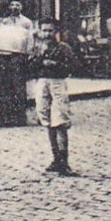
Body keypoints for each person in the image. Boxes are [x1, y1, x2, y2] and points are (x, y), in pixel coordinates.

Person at [33, 18, 76, 175]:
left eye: (50, 30)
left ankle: (64, 160)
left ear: (56, 32)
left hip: (57, 82)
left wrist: (55, 64)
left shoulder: (63, 48)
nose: (47, 34)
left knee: (60, 120)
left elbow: (72, 66)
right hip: (42, 82)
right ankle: (55, 158)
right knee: (47, 119)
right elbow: (30, 66)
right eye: (44, 30)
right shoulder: (37, 48)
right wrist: (39, 61)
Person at [0, 5, 32, 127]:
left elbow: (30, 40)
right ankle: (6, 117)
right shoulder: (5, 25)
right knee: (4, 87)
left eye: (18, 5)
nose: (15, 7)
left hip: (14, 58)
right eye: (12, 5)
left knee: (12, 87)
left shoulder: (25, 24)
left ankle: (12, 118)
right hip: (6, 58)